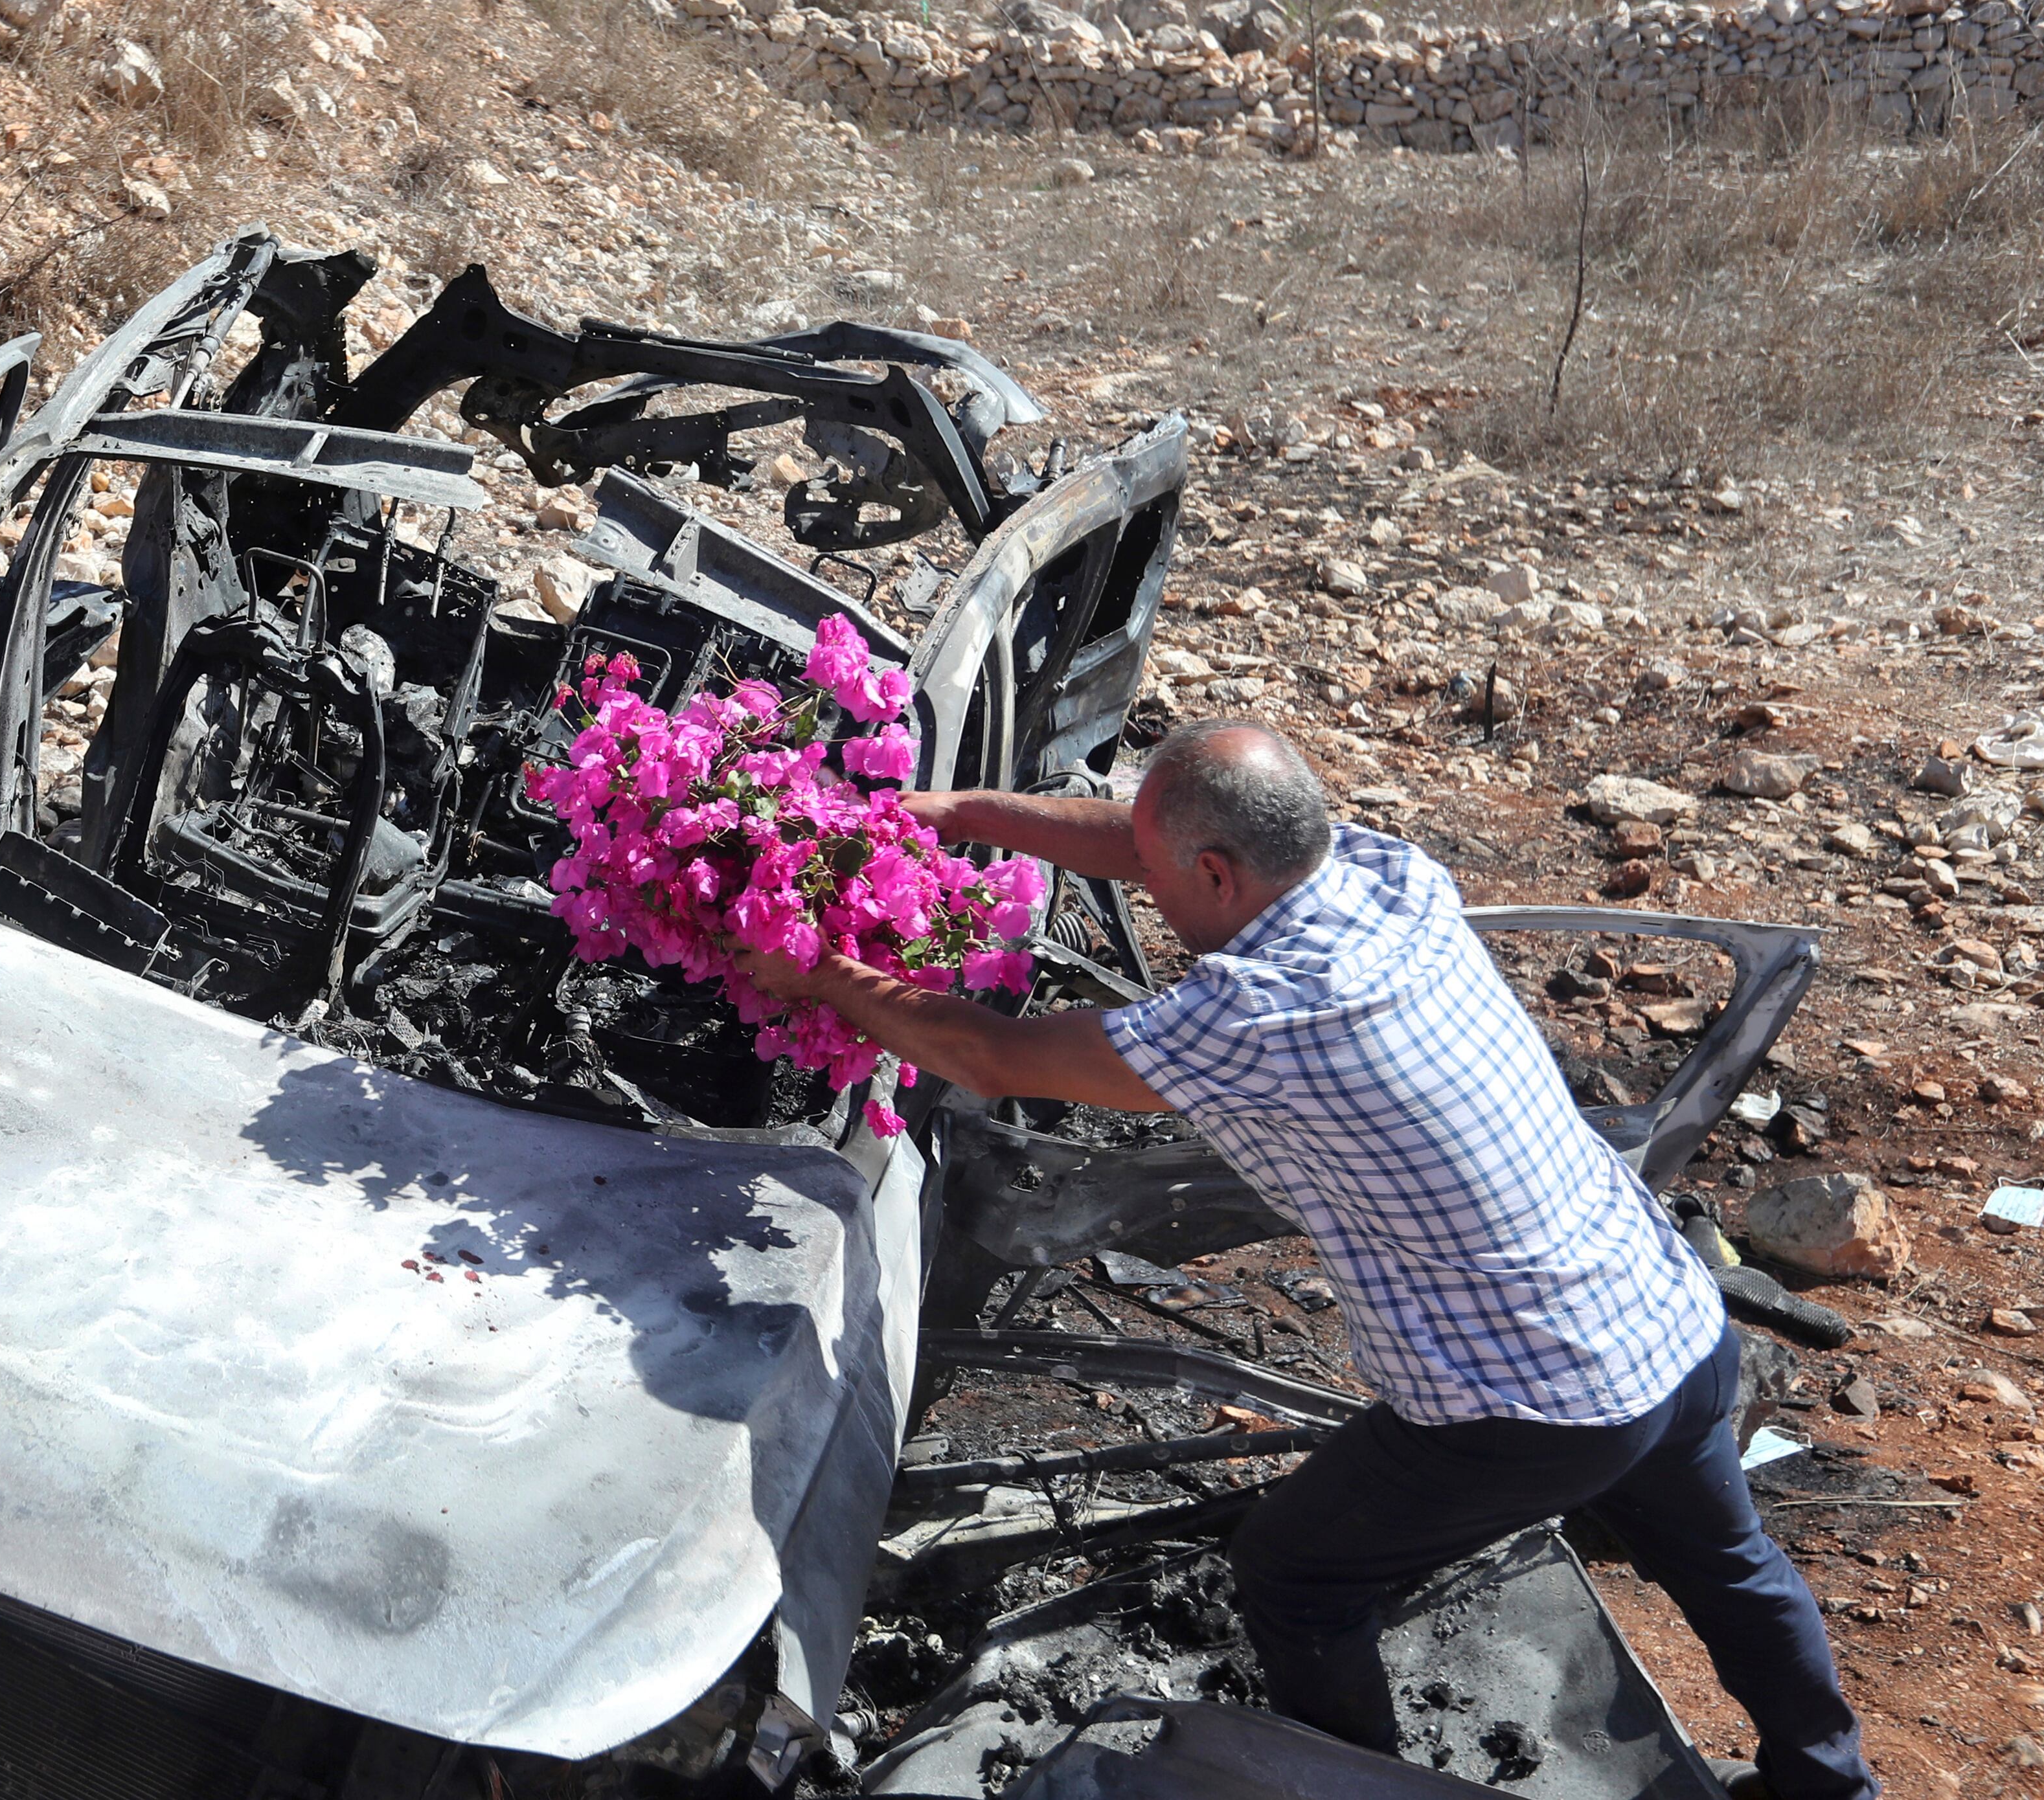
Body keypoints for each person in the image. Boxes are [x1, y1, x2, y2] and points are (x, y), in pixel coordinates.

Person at [733, 717, 1877, 1800]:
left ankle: (1358, 1782)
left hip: (1532, 1398)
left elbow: (990, 1054)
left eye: (1170, 869)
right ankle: (1830, 1782)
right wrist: (941, 812)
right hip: (1665, 1318)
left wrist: (817, 973)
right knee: (1732, 1564)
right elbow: (1154, 845)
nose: (1151, 880)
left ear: (1220, 875)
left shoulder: (1261, 1015)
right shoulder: (1382, 873)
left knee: (1295, 1577)